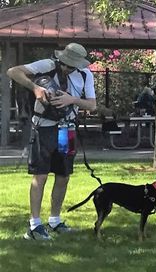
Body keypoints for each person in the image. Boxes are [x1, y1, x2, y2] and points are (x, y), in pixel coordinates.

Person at [7, 42, 96, 240]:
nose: (67, 68)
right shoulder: (47, 65)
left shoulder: (85, 74)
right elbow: (13, 71)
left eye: (71, 66)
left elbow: (92, 104)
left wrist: (71, 100)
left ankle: (55, 220)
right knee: (40, 175)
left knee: (63, 175)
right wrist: (35, 88)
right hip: (44, 128)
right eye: (65, 64)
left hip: (68, 129)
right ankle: (34, 225)